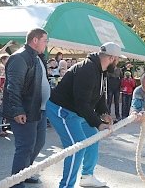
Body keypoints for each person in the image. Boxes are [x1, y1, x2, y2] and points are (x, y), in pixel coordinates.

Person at [46, 42, 127, 188]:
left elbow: (100, 95)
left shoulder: (101, 70)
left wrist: (104, 113)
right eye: (118, 59)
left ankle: (87, 176)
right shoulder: (87, 69)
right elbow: (82, 103)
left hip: (77, 111)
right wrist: (98, 123)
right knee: (77, 147)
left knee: (92, 139)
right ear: (112, 58)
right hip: (62, 111)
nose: (118, 62)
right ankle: (65, 186)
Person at [1, 28, 50, 187]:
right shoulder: (19, 57)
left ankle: (25, 172)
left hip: (39, 109)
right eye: (45, 40)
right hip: (26, 110)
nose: (46, 44)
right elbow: (13, 86)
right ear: (35, 40)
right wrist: (18, 110)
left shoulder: (36, 57)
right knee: (25, 146)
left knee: (38, 143)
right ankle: (16, 182)